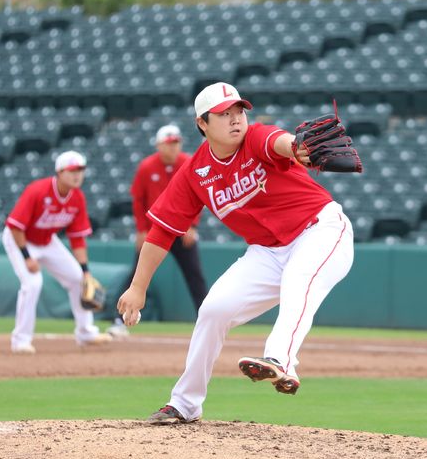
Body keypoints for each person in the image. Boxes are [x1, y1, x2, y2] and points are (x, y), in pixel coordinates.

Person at [117, 82, 354, 424]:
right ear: (202, 123)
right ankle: (185, 403)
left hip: (321, 231)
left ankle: (280, 360)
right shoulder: (194, 173)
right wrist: (138, 287)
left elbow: (280, 141)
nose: (235, 119)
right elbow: (163, 230)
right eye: (223, 114)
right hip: (268, 252)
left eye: (239, 110)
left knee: (299, 280)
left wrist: (296, 147)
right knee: (214, 309)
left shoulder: (255, 138)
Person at [2, 150, 112, 354]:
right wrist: (27, 258)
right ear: (59, 172)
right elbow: (16, 226)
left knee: (78, 279)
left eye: (80, 170)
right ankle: (21, 341)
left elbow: (77, 238)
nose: (77, 174)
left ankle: (86, 333)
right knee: (33, 284)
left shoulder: (77, 198)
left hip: (47, 240)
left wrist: (86, 270)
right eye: (72, 170)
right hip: (20, 239)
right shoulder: (38, 191)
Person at [107, 124, 208, 337]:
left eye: (176, 143)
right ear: (159, 145)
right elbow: (138, 200)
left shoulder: (187, 162)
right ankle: (119, 320)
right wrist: (141, 230)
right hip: (156, 233)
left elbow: (201, 194)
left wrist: (193, 225)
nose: (173, 147)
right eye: (169, 143)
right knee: (137, 275)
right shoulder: (147, 167)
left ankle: (208, 322)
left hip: (182, 231)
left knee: (195, 277)